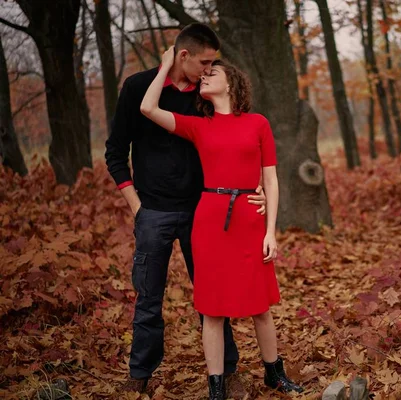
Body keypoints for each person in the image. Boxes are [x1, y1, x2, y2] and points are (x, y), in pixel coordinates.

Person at [104, 23, 264, 398]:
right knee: (148, 297)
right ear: (183, 56)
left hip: (204, 210)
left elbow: (238, 136)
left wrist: (253, 188)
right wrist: (137, 206)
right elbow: (115, 152)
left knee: (215, 298)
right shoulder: (137, 87)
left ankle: (227, 373)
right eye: (205, 63)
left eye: (214, 65)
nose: (210, 70)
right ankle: (139, 375)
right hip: (153, 212)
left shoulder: (206, 95)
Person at [139, 47, 304, 400]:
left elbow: (270, 180)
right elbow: (148, 108)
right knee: (211, 309)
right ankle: (216, 388)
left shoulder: (258, 123)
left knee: (260, 306)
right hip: (210, 220)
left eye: (212, 73)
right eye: (204, 73)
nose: (205, 76)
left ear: (231, 84)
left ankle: (274, 373)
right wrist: (166, 66)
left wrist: (271, 230)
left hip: (249, 218)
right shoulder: (200, 127)